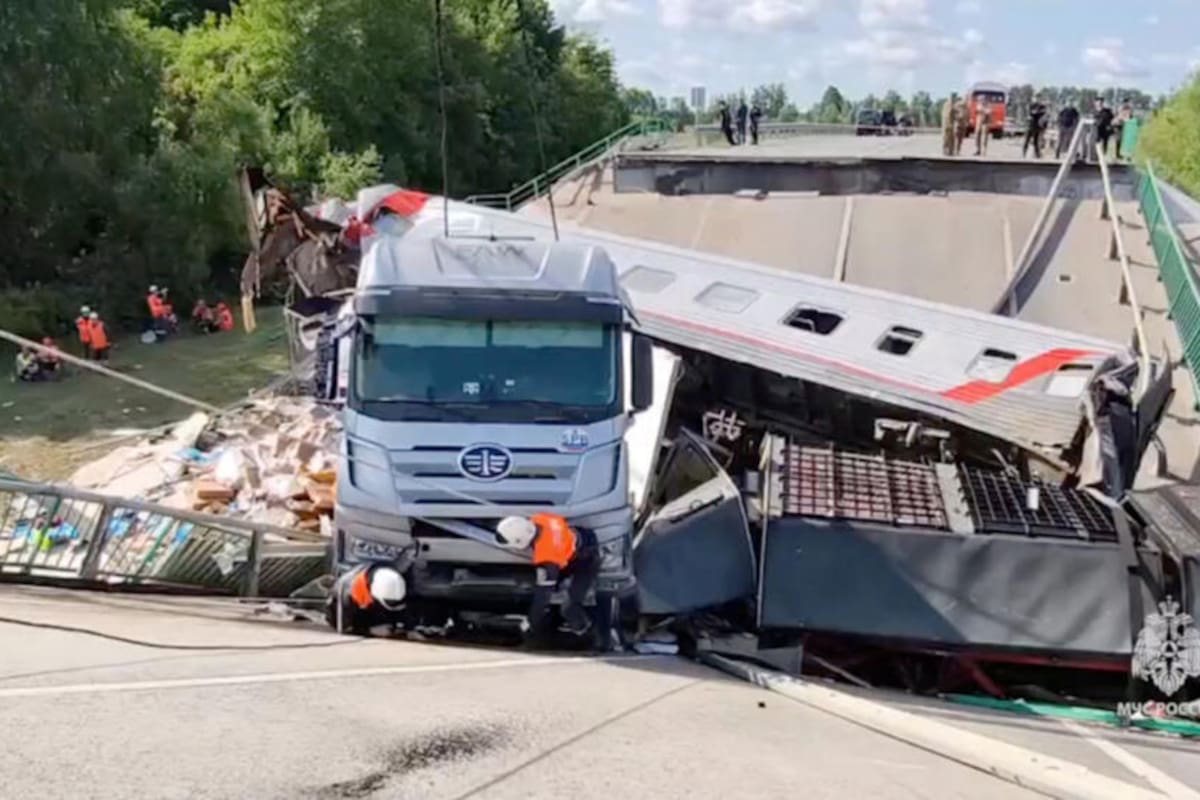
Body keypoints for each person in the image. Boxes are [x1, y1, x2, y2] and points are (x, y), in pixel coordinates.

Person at [496, 513, 601, 647]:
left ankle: (589, 636)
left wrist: (530, 624)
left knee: (569, 608)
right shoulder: (541, 518)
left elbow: (542, 596)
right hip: (580, 538)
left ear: (520, 541)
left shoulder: (547, 557)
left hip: (586, 560)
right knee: (551, 585)